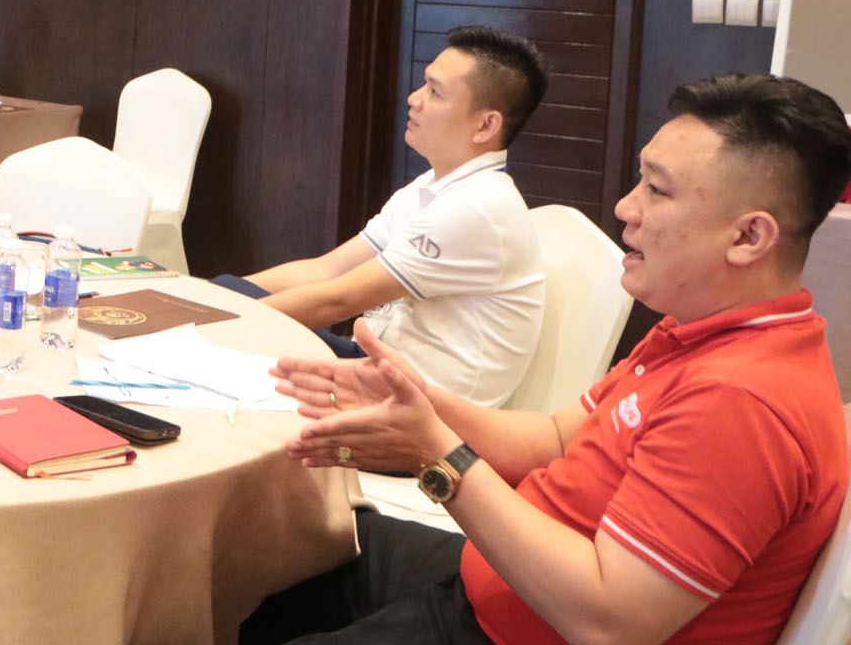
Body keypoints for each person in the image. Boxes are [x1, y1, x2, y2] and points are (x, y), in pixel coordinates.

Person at [248, 72, 851, 645]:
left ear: (748, 237)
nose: (626, 207)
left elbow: (607, 623)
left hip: (516, 628)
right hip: (501, 581)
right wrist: (424, 404)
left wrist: (436, 455)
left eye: (656, 190)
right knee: (266, 545)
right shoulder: (699, 329)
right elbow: (558, 438)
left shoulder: (740, 402)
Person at [220, 25, 549, 406]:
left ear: (486, 124)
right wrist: (211, 300)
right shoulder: (434, 185)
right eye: (424, 84)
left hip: (414, 401)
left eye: (435, 92)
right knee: (225, 290)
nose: (414, 99)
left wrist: (221, 323)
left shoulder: (478, 207)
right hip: (374, 367)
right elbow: (326, 270)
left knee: (221, 335)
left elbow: (338, 301)